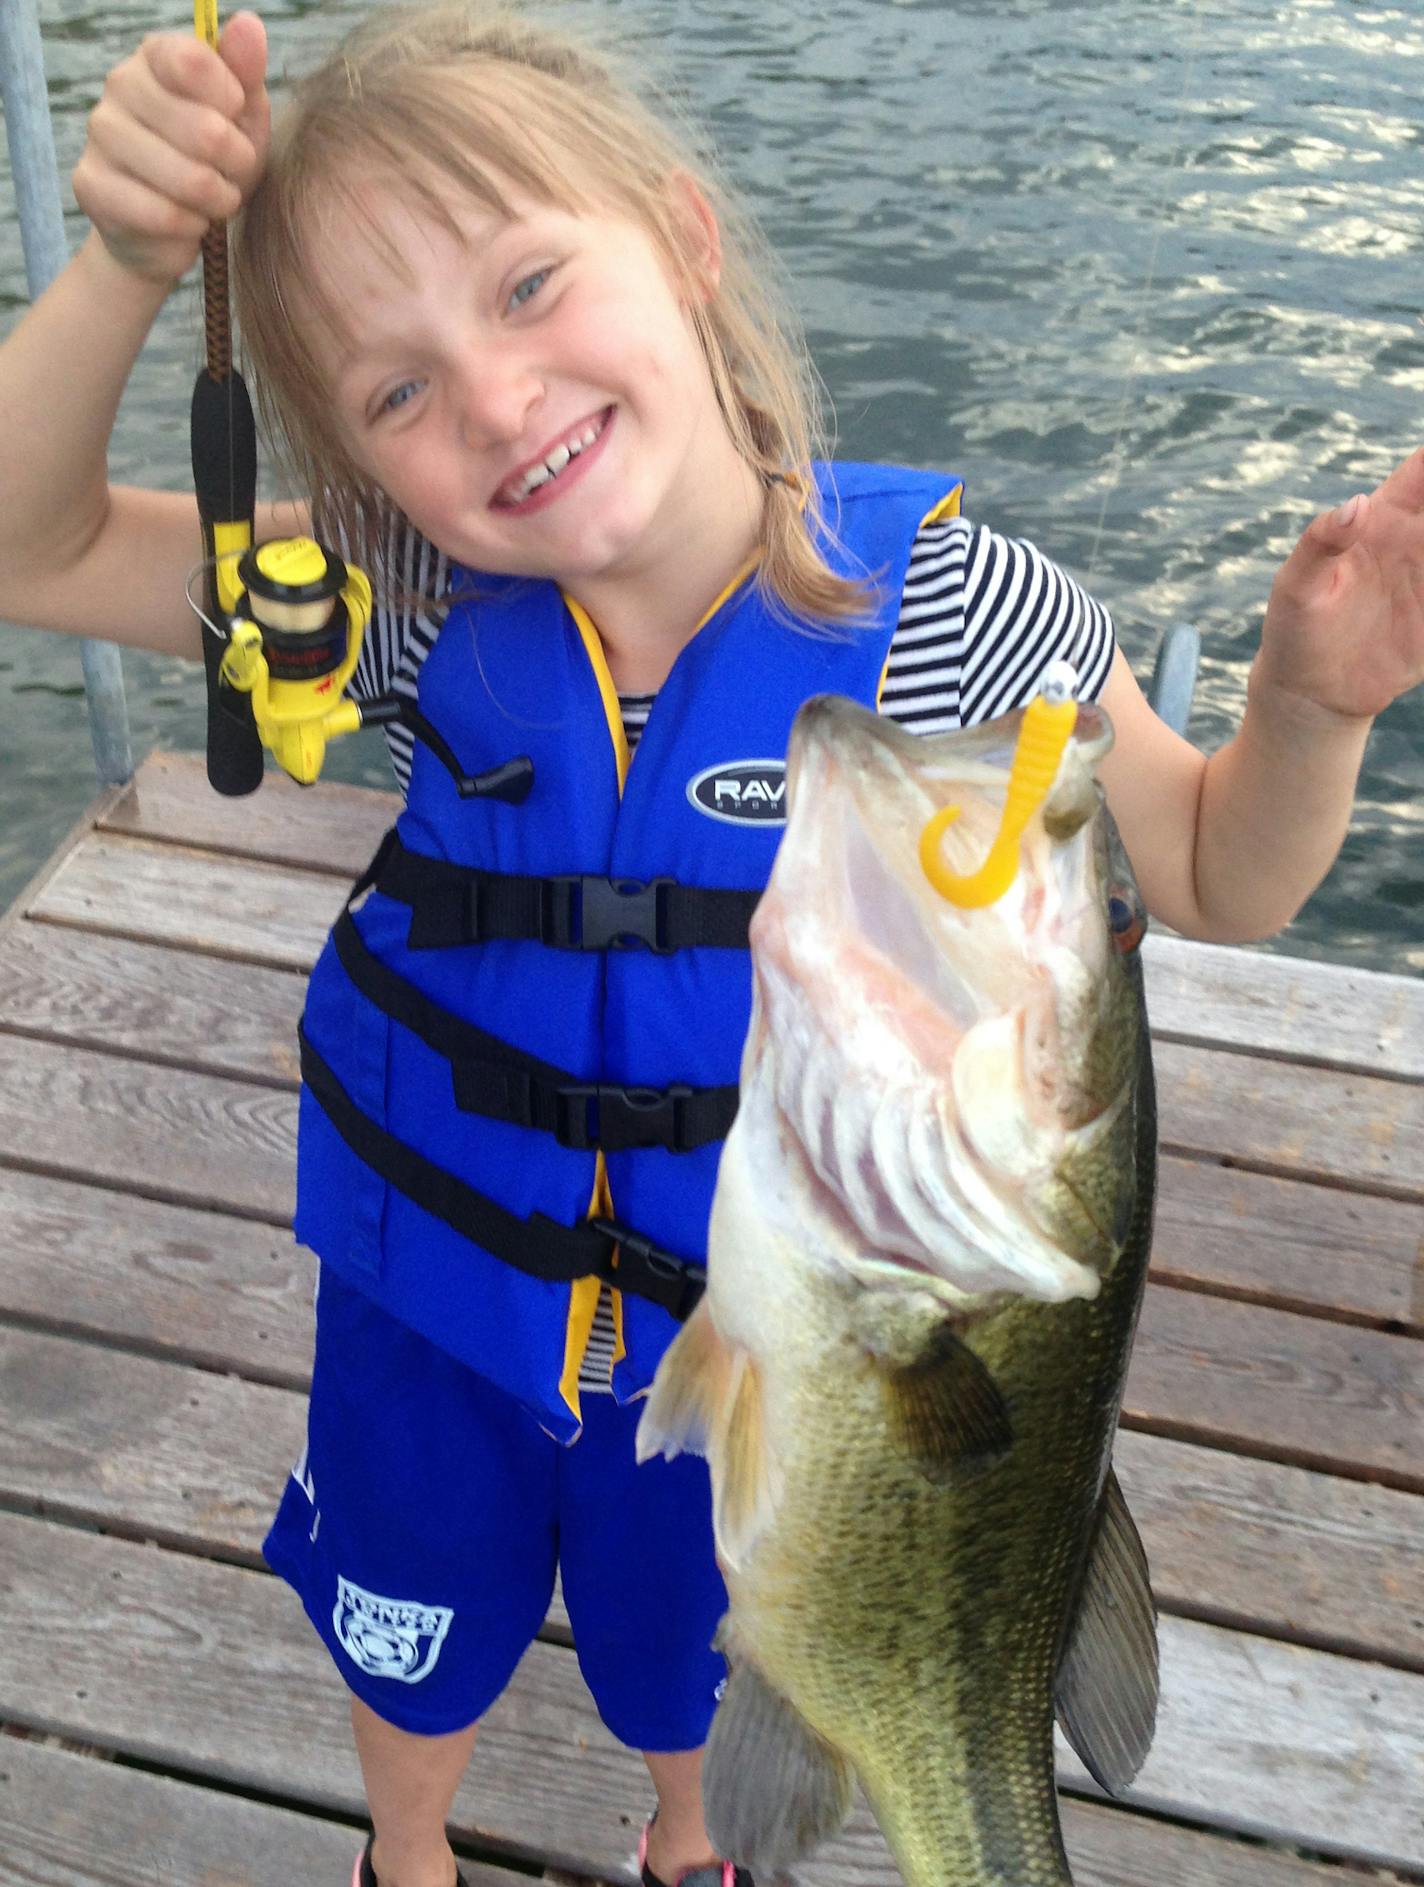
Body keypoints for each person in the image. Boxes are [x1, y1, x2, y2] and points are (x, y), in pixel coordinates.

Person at [1, 7, 1421, 1886]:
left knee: (704, 1681)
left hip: (773, 1357)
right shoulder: (405, 597)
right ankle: (405, 1857)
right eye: (396, 395)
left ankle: (697, 1847)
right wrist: (120, 262)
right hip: (442, 1310)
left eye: (528, 286)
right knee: (404, 1646)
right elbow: (29, 541)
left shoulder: (959, 618)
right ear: (352, 467)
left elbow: (1221, 876)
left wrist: (1309, 714)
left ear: (681, 239)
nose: (497, 401)